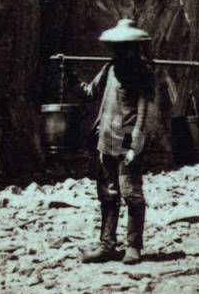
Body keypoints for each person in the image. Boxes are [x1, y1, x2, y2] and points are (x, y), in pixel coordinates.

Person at [65, 18, 157, 265]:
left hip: (127, 139)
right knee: (107, 193)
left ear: (134, 47)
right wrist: (71, 76)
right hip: (105, 138)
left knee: (131, 193)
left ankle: (133, 246)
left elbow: (143, 111)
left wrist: (136, 142)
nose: (117, 50)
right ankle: (107, 245)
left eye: (122, 46)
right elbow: (90, 93)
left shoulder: (144, 72)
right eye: (115, 46)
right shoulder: (109, 69)